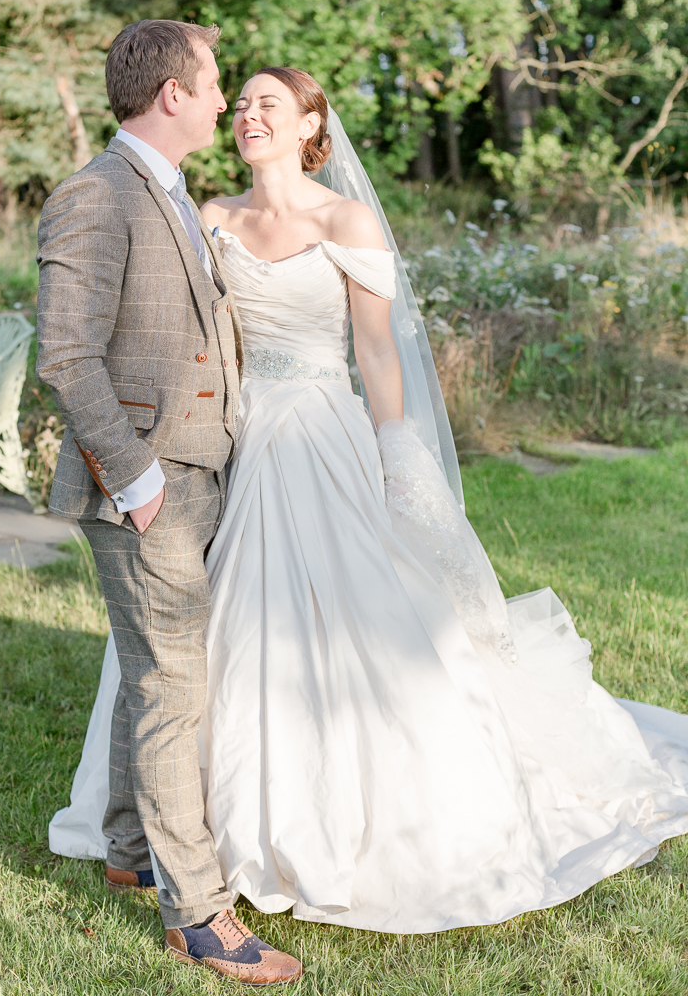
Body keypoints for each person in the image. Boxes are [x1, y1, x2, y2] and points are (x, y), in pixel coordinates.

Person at [50, 64, 688, 939]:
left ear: (313, 121)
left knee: (364, 612)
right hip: (232, 440)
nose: (246, 115)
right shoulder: (211, 217)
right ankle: (176, 826)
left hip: (322, 432)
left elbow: (378, 351)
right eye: (237, 103)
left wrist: (395, 449)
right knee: (199, 626)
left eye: (267, 104)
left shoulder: (344, 220)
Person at [36, 21, 302, 985]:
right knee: (171, 689)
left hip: (201, 472)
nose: (229, 100)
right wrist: (137, 477)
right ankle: (198, 915)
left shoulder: (173, 191)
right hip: (148, 483)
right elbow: (65, 355)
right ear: (174, 94)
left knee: (154, 668)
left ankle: (126, 850)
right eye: (218, 83)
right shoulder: (96, 194)